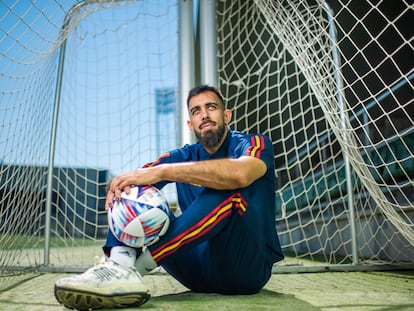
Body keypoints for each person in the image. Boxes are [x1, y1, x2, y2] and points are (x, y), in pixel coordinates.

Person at [54, 85, 284, 310]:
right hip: (195, 271)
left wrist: (164, 171)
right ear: (190, 124)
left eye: (211, 107)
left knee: (228, 186)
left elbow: (240, 173)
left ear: (226, 115)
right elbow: (134, 184)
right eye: (196, 111)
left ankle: (135, 272)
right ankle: (119, 267)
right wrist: (123, 187)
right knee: (134, 196)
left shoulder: (253, 143)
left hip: (243, 270)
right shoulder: (182, 155)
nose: (204, 114)